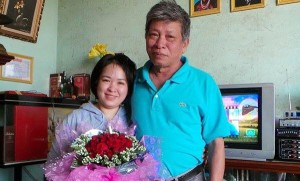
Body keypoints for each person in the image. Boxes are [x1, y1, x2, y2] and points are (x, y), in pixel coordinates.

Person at [131, 1, 230, 181]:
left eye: (170, 37)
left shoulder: (203, 83)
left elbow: (216, 144)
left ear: (185, 43)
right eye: (154, 34)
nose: (160, 44)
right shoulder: (132, 81)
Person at [47, 53, 136, 160]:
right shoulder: (75, 118)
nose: (112, 88)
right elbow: (53, 162)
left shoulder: (133, 119)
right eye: (106, 80)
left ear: (129, 88)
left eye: (120, 83)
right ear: (96, 82)